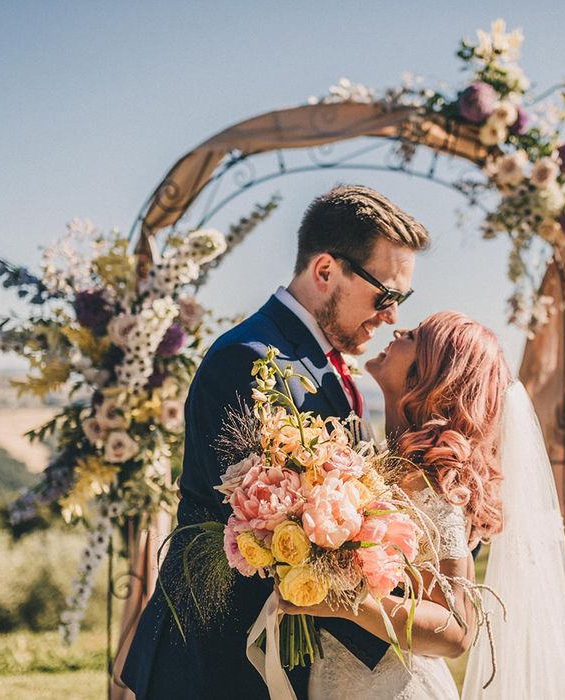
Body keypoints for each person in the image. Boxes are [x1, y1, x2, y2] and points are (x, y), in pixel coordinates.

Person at [121, 184, 436, 700]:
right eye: (386, 295)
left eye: (403, 300)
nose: (392, 316)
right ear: (325, 271)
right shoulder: (249, 360)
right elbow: (268, 538)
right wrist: (408, 619)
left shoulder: (318, 361)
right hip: (218, 663)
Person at [280, 312, 565, 699]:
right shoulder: (374, 461)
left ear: (429, 375)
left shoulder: (431, 487)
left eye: (415, 335)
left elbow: (457, 630)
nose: (398, 330)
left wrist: (341, 603)